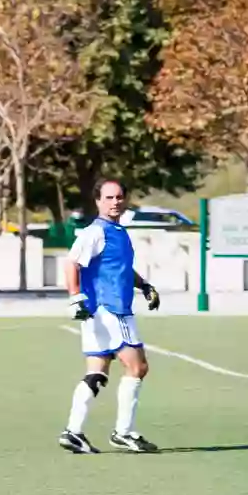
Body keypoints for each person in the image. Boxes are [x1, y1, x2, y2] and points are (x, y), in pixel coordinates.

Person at [61, 178, 160, 454]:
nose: (115, 202)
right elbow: (72, 262)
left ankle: (73, 431)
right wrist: (75, 297)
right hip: (111, 310)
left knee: (96, 373)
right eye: (109, 198)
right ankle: (124, 433)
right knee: (137, 367)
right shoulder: (96, 232)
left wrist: (145, 285)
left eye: (119, 197)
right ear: (98, 201)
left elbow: (121, 269)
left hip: (97, 314)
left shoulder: (117, 231)